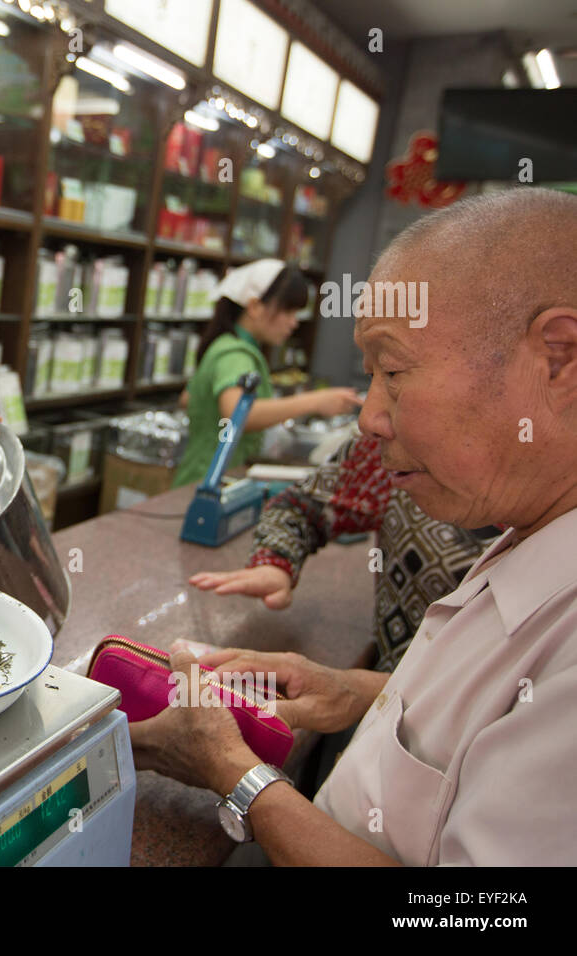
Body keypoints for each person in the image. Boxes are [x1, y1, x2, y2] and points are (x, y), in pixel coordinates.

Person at [131, 187, 577, 865]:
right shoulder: (526, 521)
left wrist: (231, 771)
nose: (370, 416)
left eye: (394, 371)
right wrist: (363, 692)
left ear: (559, 357)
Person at [189, 432, 498, 672]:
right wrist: (276, 561)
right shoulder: (392, 448)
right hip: (384, 718)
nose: (368, 418)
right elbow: (299, 507)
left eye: (394, 372)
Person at [171, 259, 362, 488]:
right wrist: (315, 401)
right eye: (288, 311)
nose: (294, 323)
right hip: (208, 480)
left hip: (200, 474)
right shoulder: (236, 354)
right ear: (254, 307)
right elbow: (236, 414)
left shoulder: (225, 345)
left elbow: (187, 399)